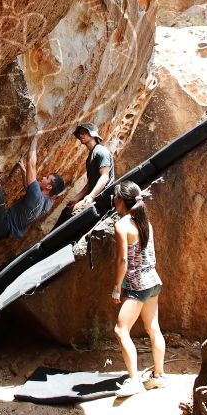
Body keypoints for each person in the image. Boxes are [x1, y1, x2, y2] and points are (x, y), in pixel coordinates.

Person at [110, 180, 166, 396]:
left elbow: (123, 260)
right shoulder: (145, 222)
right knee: (153, 328)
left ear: (121, 200)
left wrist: (117, 287)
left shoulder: (122, 225)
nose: (113, 200)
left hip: (137, 286)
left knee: (120, 330)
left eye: (115, 197)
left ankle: (134, 381)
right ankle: (158, 377)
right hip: (153, 281)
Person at [53, 122, 113, 229]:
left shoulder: (101, 152)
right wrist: (77, 198)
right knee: (67, 212)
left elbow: (105, 177)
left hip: (102, 199)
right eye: (80, 133)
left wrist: (91, 196)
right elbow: (91, 182)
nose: (81, 135)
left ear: (93, 134)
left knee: (70, 216)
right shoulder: (92, 154)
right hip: (94, 197)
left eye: (85, 132)